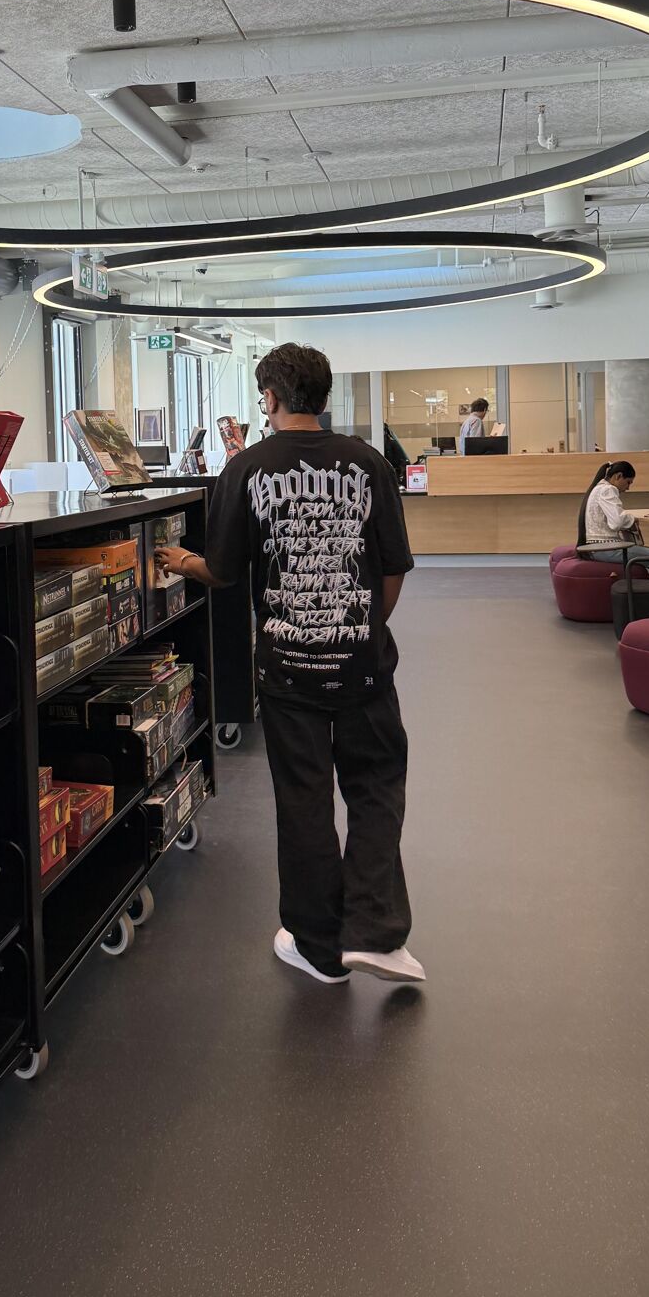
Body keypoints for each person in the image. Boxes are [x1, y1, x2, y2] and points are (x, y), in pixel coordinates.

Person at [158, 343, 424, 988]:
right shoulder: (368, 465)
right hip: (362, 663)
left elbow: (221, 570)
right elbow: (391, 570)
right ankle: (379, 935)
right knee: (377, 788)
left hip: (287, 669)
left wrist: (182, 561)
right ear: (323, 397)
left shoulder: (246, 470)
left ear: (270, 399)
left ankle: (318, 946)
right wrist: (359, 625)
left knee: (302, 802)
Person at [578, 460, 649, 581]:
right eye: (628, 482)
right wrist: (632, 519)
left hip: (598, 548)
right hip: (606, 549)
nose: (628, 488)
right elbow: (617, 522)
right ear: (618, 476)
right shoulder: (608, 490)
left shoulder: (597, 488)